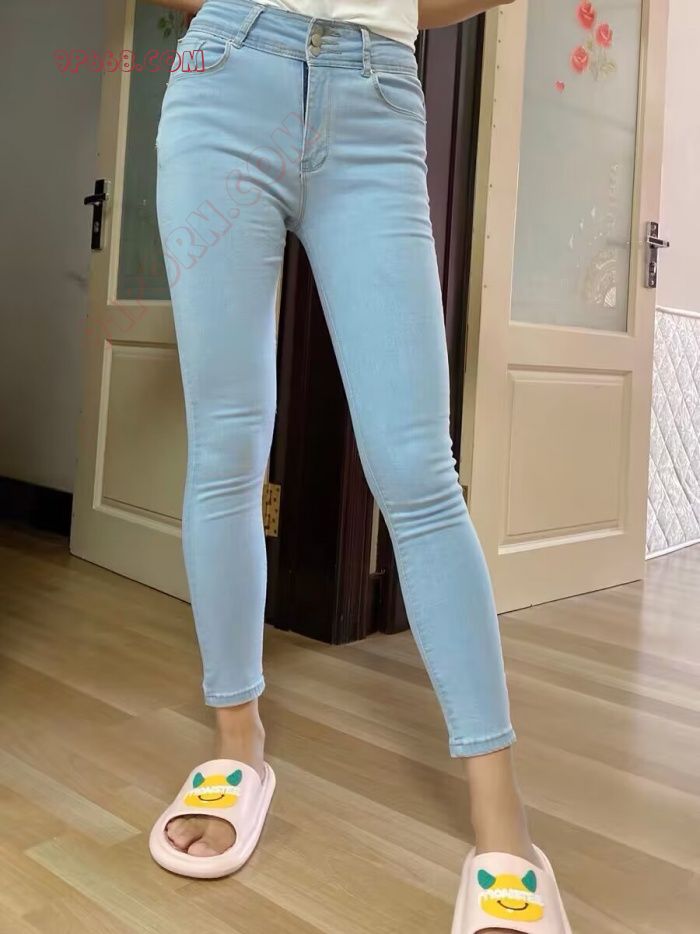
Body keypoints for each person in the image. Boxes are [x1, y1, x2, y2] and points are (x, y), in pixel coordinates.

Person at [146, 0, 572, 930]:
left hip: (376, 96)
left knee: (418, 471)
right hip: (226, 74)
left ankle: (503, 820)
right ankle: (237, 741)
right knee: (226, 444)